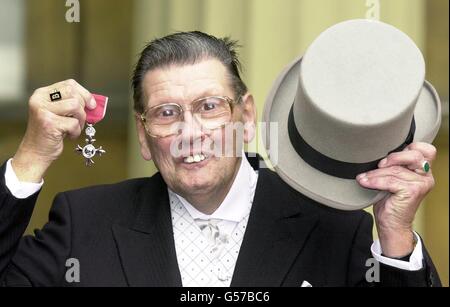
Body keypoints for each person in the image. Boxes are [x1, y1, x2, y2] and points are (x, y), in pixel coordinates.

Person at [0, 31, 441, 287]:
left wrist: (397, 236)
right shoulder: (85, 222)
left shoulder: (335, 226)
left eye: (209, 106)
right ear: (143, 134)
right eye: (167, 113)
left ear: (246, 117)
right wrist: (30, 159)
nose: (190, 133)